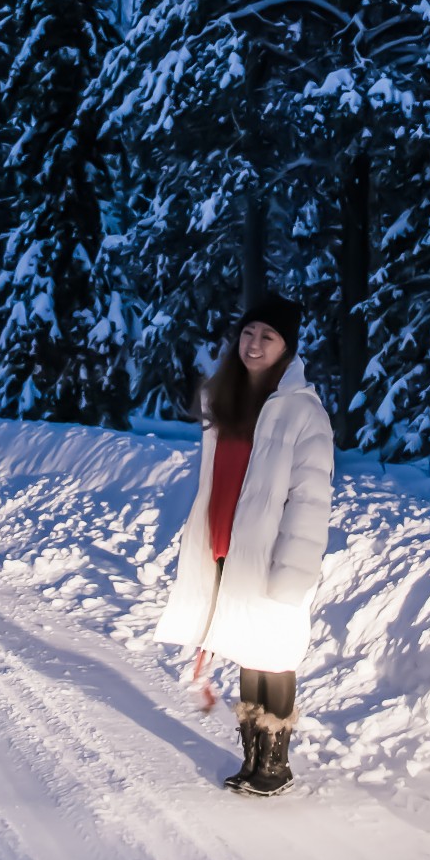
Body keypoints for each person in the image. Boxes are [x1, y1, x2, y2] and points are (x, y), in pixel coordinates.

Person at [155, 292, 334, 795]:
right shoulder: (227, 398)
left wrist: (293, 569)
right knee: (245, 647)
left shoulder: (302, 412)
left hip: (273, 552)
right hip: (225, 545)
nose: (254, 345)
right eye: (249, 333)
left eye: (268, 336)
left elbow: (310, 499)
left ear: (287, 348)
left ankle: (274, 764)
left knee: (273, 654)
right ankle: (253, 757)